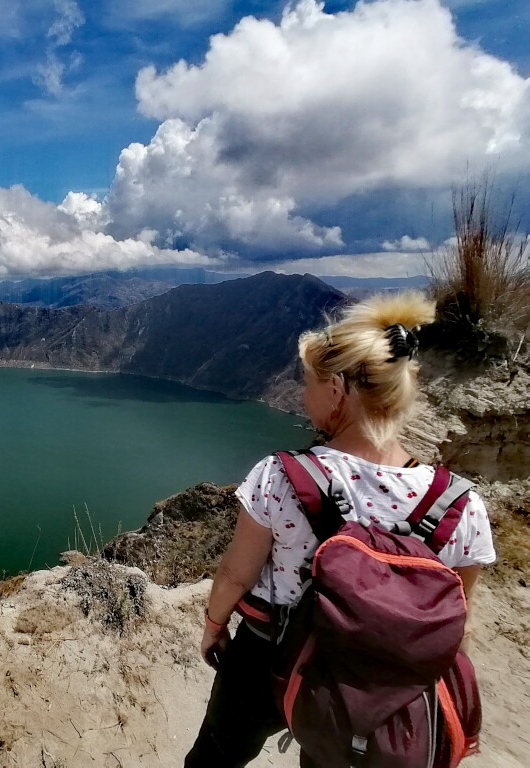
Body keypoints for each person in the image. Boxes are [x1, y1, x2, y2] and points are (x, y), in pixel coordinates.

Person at [183, 292, 496, 767]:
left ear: (336, 389)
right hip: (372, 678)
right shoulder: (460, 504)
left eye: (306, 382)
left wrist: (213, 626)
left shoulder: (281, 477)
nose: (301, 395)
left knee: (216, 757)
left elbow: (234, 576)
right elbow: (459, 617)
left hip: (269, 653)